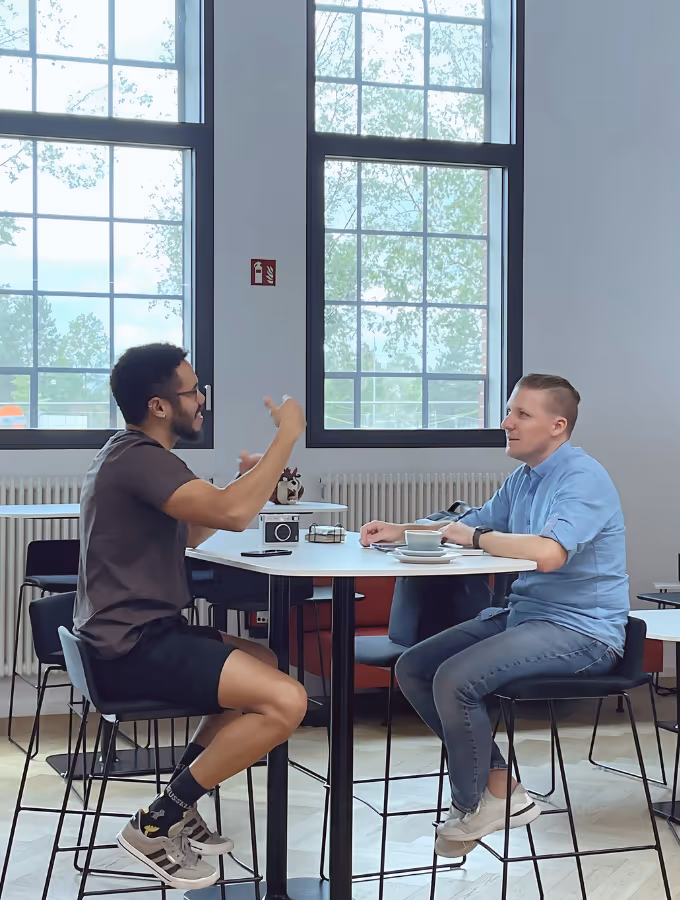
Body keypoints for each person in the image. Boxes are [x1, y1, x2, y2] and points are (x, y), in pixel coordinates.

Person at [359, 374, 629, 857]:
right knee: (415, 667)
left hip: (583, 632)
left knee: (455, 679)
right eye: (509, 412)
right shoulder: (525, 479)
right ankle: (502, 789)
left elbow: (548, 553)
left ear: (558, 425)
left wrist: (476, 538)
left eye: (522, 414)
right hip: (526, 616)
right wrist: (401, 531)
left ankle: (474, 802)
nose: (506, 423)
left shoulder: (582, 478)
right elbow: (473, 522)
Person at [73, 343, 309, 891]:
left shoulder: (132, 455)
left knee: (261, 658)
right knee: (286, 699)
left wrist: (245, 478)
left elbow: (198, 527)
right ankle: (157, 820)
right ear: (159, 405)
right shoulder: (139, 457)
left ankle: (180, 804)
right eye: (193, 390)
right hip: (129, 647)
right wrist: (286, 435)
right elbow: (231, 514)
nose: (202, 400)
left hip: (132, 635)